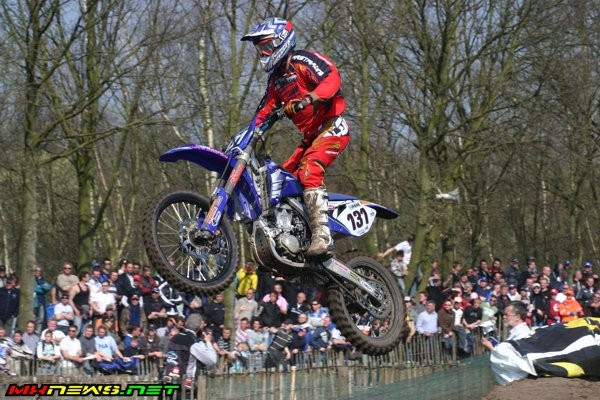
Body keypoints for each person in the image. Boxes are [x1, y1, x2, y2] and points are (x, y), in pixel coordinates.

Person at [242, 17, 350, 258]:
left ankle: (322, 236)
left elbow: (332, 77)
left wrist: (310, 98)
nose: (263, 53)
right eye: (260, 49)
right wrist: (245, 138)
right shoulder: (275, 81)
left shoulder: (302, 61)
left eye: (266, 46)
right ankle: (293, 236)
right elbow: (263, 112)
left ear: (281, 41)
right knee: (280, 182)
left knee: (309, 170)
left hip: (331, 127)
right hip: (310, 138)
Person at [481, 301, 534, 384]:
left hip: (517, 380)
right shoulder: (517, 332)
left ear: (517, 317)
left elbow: (513, 361)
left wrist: (492, 348)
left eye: (506, 315)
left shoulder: (522, 334)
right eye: (503, 314)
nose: (504, 317)